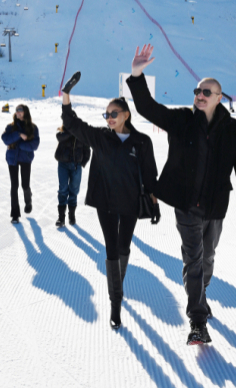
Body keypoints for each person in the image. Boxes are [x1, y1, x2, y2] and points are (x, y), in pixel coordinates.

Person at [126, 44, 236, 346]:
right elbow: (148, 107)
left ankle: (199, 294)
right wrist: (137, 74)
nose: (199, 95)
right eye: (197, 91)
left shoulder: (234, 131)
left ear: (218, 98)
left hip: (215, 206)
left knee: (208, 258)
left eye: (205, 92)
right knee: (194, 260)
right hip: (186, 204)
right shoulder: (182, 121)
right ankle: (198, 321)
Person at [61, 72, 160, 330]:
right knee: (111, 248)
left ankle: (118, 282)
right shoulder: (102, 138)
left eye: (114, 113)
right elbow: (73, 125)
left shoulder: (142, 142)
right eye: (106, 115)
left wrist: (155, 200)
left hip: (130, 203)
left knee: (124, 247)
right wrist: (66, 98)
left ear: (126, 114)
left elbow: (150, 174)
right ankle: (116, 302)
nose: (109, 118)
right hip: (105, 202)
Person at [1, 104, 40, 224]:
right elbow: (5, 139)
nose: (18, 112)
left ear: (25, 112)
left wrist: (21, 145)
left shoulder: (32, 128)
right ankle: (15, 214)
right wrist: (18, 135)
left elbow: (35, 145)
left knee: (25, 185)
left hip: (25, 159)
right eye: (17, 110)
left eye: (20, 110)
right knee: (14, 186)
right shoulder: (11, 127)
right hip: (12, 159)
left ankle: (28, 201)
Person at [54, 125, 91, 227]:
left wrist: (82, 162)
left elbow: (87, 149)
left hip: (76, 165)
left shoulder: (82, 134)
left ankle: (72, 214)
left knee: (74, 190)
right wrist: (71, 131)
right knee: (63, 189)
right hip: (63, 164)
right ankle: (61, 217)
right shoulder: (62, 133)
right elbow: (59, 138)